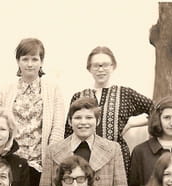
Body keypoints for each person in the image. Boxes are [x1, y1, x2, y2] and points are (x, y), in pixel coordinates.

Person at [0, 37, 65, 186]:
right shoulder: (7, 90)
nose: (29, 64)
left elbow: (57, 127)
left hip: (40, 164)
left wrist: (50, 160)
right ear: (18, 61)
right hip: (12, 163)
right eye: (25, 59)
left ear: (41, 62)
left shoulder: (53, 89)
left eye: (35, 59)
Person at [65, 45, 153, 174]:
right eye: (96, 65)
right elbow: (68, 132)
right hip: (84, 158)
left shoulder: (125, 94)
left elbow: (158, 110)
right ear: (89, 68)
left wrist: (132, 124)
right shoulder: (79, 96)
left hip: (116, 158)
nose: (101, 69)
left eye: (105, 65)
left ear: (113, 66)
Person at [38, 96, 129, 186]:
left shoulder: (112, 149)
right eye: (78, 118)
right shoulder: (53, 150)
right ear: (70, 121)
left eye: (89, 117)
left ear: (97, 121)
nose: (83, 122)